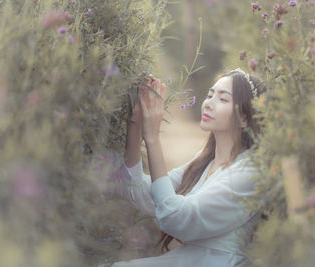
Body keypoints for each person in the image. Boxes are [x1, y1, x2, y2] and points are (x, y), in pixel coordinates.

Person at [107, 68, 265, 267]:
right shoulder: (205, 161)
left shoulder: (249, 173)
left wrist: (153, 139)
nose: (208, 103)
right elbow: (138, 193)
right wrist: (135, 123)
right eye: (210, 95)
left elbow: (176, 218)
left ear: (244, 118)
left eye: (223, 99)